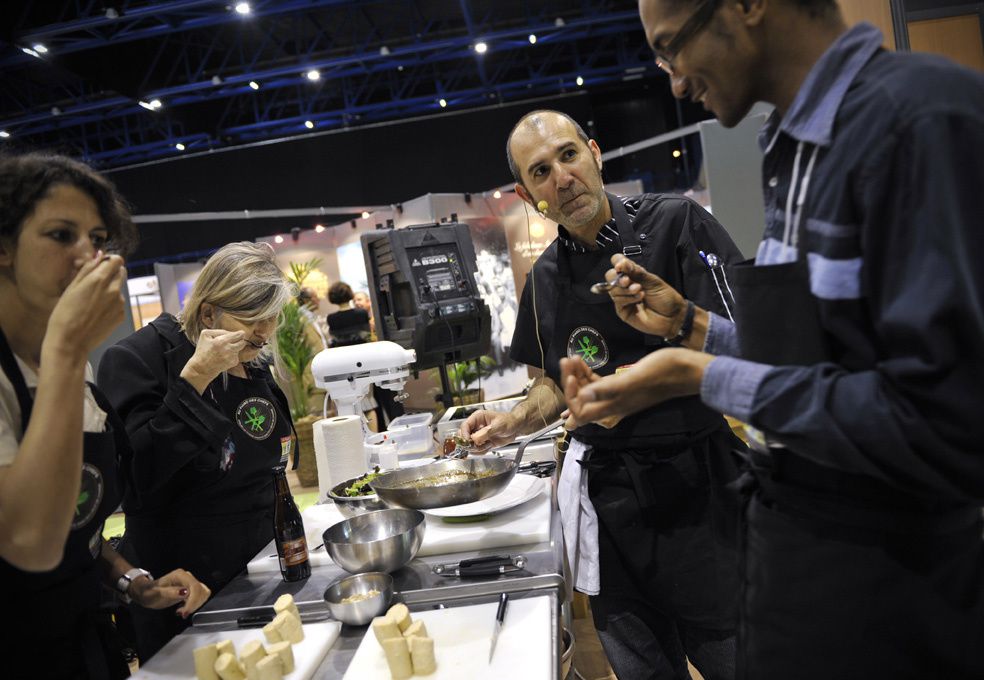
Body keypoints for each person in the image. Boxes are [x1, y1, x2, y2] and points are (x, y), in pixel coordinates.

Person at [561, 2, 984, 678]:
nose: (673, 81)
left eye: (673, 49)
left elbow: (941, 418)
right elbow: (815, 362)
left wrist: (696, 377)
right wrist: (689, 327)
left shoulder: (917, 122)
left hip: (896, 592)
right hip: (801, 560)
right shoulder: (790, 148)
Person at [461, 109, 746, 680]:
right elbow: (551, 383)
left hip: (701, 493)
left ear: (594, 153)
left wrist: (644, 381)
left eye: (568, 156)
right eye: (540, 172)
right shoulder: (543, 279)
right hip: (610, 507)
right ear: (526, 194)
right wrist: (512, 421)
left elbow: (746, 343)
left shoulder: (679, 224)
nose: (561, 179)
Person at [0, 152, 210, 679]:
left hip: (80, 644)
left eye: (96, 239)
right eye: (60, 235)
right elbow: (28, 539)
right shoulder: (56, 361)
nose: (87, 256)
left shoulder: (77, 368)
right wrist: (66, 350)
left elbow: (75, 530)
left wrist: (132, 579)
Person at [97, 241, 295, 659]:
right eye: (252, 318)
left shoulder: (254, 357)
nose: (263, 332)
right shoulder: (136, 360)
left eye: (271, 319)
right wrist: (197, 379)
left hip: (263, 572)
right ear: (208, 313)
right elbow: (135, 480)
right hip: (184, 589)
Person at [326, 282, 372, 347]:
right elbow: (368, 336)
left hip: (343, 354)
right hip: (363, 351)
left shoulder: (331, 318)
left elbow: (334, 340)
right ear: (349, 293)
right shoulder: (361, 313)